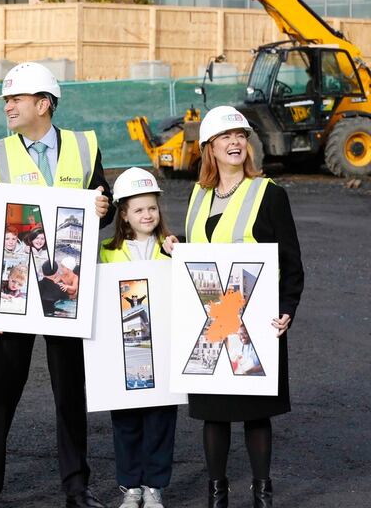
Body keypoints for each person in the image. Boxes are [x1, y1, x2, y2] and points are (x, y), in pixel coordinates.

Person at [0, 62, 115, 508]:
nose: (8, 107)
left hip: (68, 290)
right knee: (1, 389)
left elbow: (104, 209)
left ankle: (76, 487)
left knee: (70, 391)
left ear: (44, 104)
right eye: (7, 101)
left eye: (15, 99)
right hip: (15, 291)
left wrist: (104, 208)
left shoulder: (84, 147)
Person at [168, 106, 303, 508]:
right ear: (209, 147)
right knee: (215, 414)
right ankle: (217, 493)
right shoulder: (198, 195)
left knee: (255, 413)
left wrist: (287, 309)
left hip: (255, 322)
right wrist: (175, 245)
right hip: (210, 323)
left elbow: (292, 264)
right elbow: (201, 249)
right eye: (226, 137)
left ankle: (262, 492)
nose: (235, 143)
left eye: (241, 136)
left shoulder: (269, 194)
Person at [100, 167, 179, 508]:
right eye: (139, 209)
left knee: (160, 419)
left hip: (163, 348)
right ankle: (131, 486)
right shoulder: (105, 251)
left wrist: (182, 254)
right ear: (124, 214)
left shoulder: (174, 248)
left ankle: (154, 486)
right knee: (127, 420)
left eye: (152, 208)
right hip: (122, 351)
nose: (147, 215)